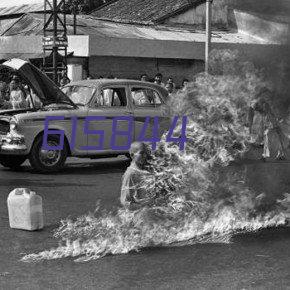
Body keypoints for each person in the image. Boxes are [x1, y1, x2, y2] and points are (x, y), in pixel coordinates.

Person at [120, 142, 153, 208]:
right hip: (141, 214)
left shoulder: (144, 169)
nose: (145, 156)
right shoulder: (131, 174)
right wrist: (144, 207)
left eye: (146, 153)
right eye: (141, 153)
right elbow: (126, 202)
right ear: (132, 155)